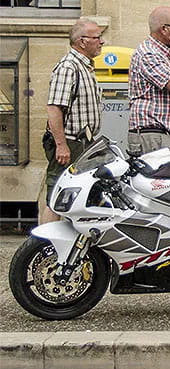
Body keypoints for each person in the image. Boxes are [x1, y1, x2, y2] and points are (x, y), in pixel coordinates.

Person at [42, 18, 105, 224]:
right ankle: (44, 248)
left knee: (73, 195)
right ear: (82, 41)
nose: (101, 41)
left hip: (82, 143)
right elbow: (54, 108)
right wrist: (61, 145)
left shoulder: (84, 66)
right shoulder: (68, 67)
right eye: (97, 37)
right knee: (56, 196)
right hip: (69, 143)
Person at [127, 6, 170, 155]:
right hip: (154, 137)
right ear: (164, 29)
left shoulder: (162, 53)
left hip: (162, 136)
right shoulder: (149, 54)